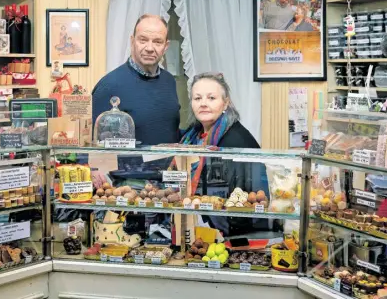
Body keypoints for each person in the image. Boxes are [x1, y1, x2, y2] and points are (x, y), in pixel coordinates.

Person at [180, 73, 272, 237]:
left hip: (234, 231)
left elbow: (245, 195)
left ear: (225, 103)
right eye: (197, 98)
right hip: (203, 226)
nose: (203, 104)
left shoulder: (236, 140)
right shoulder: (192, 135)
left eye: (211, 98)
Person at [92, 14, 180, 146]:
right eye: (143, 40)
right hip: (128, 167)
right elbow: (95, 145)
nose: (150, 48)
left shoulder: (169, 81)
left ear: (166, 46)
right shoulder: (109, 85)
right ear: (132, 41)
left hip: (168, 167)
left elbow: (170, 131)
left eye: (157, 42)